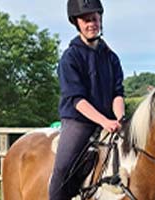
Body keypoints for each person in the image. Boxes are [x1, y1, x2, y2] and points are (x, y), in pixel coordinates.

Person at [48, 0, 125, 199]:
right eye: (86, 20)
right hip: (79, 121)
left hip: (109, 120)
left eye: (95, 18)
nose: (91, 23)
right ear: (77, 23)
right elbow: (77, 99)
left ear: (100, 18)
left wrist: (120, 118)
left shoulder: (111, 57)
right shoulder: (70, 58)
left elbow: (118, 93)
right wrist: (104, 122)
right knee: (63, 168)